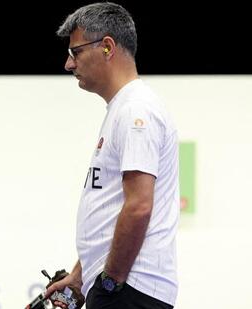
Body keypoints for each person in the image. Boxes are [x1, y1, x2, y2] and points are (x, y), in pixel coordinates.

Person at [43, 2, 179, 309]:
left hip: (128, 289)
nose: (68, 64)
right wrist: (81, 275)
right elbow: (113, 209)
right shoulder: (123, 109)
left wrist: (110, 280)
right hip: (122, 288)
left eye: (75, 52)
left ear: (107, 47)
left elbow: (139, 206)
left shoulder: (135, 110)